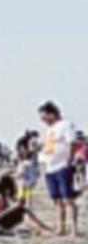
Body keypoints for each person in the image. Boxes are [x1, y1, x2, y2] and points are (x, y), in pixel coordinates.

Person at [38, 101, 79, 236]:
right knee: (56, 200)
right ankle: (60, 227)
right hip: (50, 166)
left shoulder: (65, 125)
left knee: (68, 198)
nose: (43, 121)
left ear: (52, 114)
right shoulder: (50, 129)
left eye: (44, 117)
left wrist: (69, 160)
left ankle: (73, 229)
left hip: (63, 165)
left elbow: (72, 143)